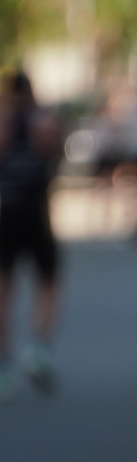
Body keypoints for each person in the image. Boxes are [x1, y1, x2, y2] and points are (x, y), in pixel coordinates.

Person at [0, 70, 63, 399]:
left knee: (4, 287)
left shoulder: (5, 121)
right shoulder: (43, 120)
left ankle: (3, 367)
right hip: (35, 210)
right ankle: (38, 348)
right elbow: (56, 151)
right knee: (48, 282)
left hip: (5, 210)